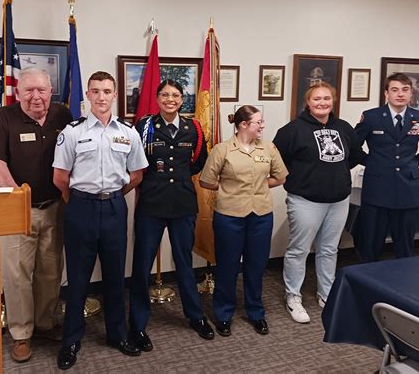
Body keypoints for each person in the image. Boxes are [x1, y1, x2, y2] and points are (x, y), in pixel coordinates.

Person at [53, 71, 148, 370]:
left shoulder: (128, 132)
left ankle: (117, 335)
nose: (101, 97)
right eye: (95, 91)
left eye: (107, 91)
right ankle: (71, 341)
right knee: (78, 278)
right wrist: (80, 201)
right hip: (80, 208)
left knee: (115, 275)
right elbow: (60, 178)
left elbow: (136, 174)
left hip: (115, 209)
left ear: (115, 95)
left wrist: (112, 197)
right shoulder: (72, 132)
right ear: (88, 95)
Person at [0, 67, 72, 362]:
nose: (36, 96)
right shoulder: (3, 118)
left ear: (51, 91)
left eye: (41, 90)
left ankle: (44, 323)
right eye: (29, 90)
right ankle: (21, 334)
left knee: (50, 270)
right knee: (17, 274)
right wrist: (18, 196)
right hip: (18, 209)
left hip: (55, 208)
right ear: (18, 93)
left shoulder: (62, 116)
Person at [129, 79, 214, 352]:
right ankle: (137, 324)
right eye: (165, 95)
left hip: (182, 205)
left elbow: (198, 163)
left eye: (175, 95)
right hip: (152, 205)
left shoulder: (194, 129)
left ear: (182, 99)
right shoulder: (144, 127)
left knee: (184, 263)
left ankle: (196, 316)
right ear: (157, 99)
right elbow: (134, 161)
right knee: (142, 265)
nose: (170, 99)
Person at [273, 83, 362, 324]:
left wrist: (333, 175)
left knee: (329, 249)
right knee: (299, 250)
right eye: (317, 99)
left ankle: (327, 294)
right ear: (308, 102)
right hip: (305, 200)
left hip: (338, 200)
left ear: (333, 101)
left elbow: (354, 156)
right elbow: (276, 161)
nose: (322, 103)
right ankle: (293, 297)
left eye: (326, 98)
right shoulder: (292, 130)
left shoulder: (343, 127)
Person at [199, 106, 288, 337]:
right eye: (258, 122)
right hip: (229, 216)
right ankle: (223, 314)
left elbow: (280, 177)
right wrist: (230, 188)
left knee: (256, 266)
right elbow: (206, 181)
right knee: (227, 267)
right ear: (243, 125)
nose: (262, 125)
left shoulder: (268, 147)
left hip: (260, 216)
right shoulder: (222, 149)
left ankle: (256, 313)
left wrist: (257, 187)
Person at [354, 72, 419, 263]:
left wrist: (410, 164)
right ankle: (369, 280)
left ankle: (404, 280)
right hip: (377, 191)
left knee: (405, 247)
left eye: (405, 90)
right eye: (394, 90)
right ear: (386, 93)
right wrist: (372, 162)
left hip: (408, 190)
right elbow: (352, 147)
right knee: (371, 246)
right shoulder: (371, 117)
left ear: (411, 93)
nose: (400, 94)